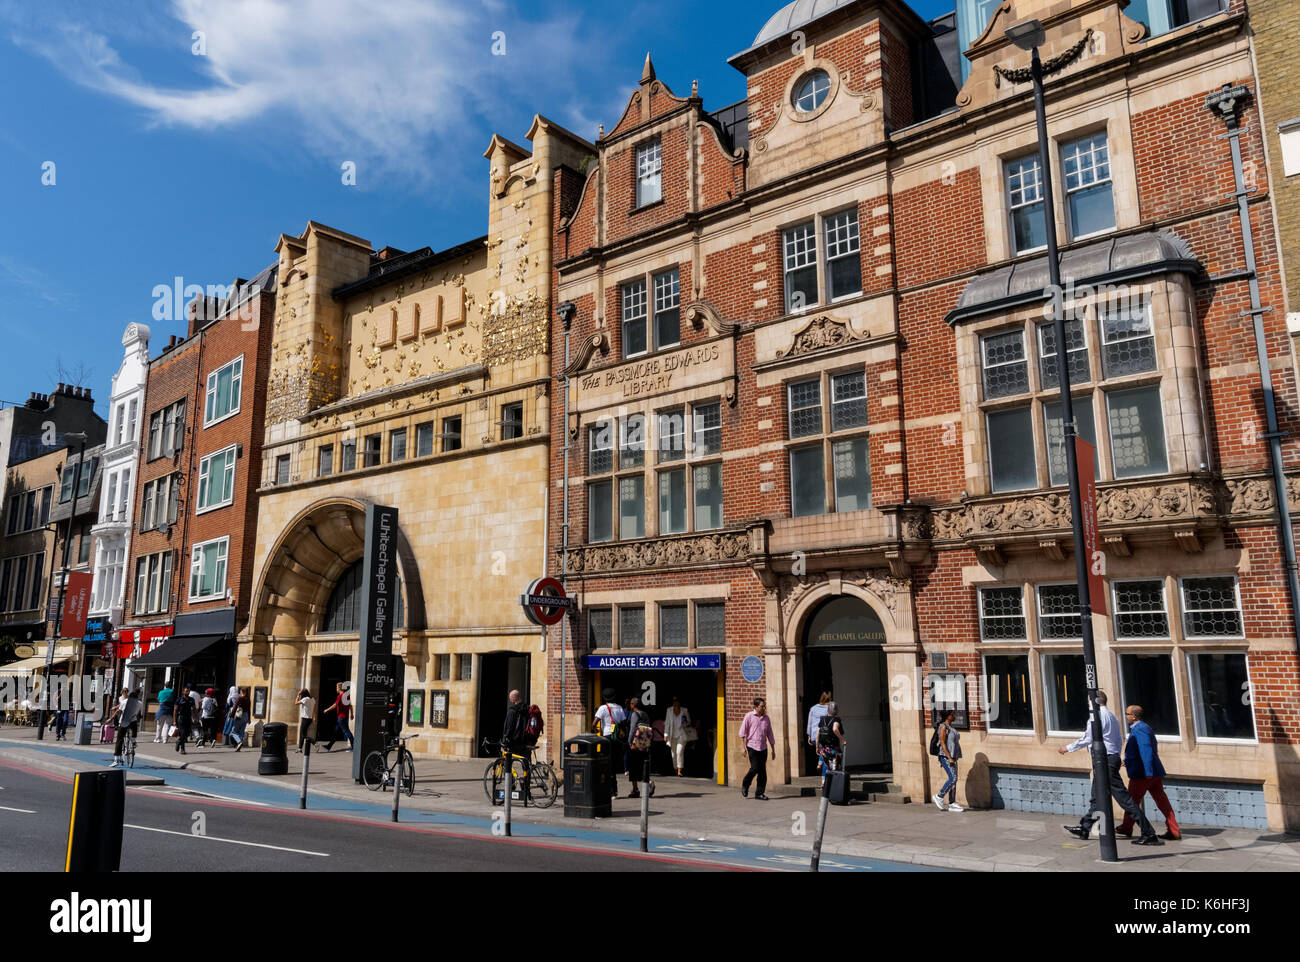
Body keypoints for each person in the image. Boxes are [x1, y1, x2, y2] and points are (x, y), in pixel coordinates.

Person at [1059, 691, 1161, 845]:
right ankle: (1085, 828)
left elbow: (1088, 738)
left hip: (1105, 761)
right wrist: (1116, 756)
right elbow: (1118, 740)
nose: (1087, 703)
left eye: (1089, 701)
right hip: (1109, 759)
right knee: (1096, 797)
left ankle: (1149, 833)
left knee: (1124, 799)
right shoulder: (1112, 716)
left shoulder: (1097, 716)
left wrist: (1067, 748)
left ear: (1094, 701)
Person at [1118, 705, 1181, 841]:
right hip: (1152, 773)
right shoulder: (1143, 728)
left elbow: (1145, 750)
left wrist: (1148, 772)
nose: (1125, 716)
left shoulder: (1140, 729)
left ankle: (1126, 827)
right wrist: (1128, 760)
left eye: (1127, 714)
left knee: (1131, 801)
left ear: (1134, 716)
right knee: (1162, 801)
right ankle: (1173, 829)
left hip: (1143, 774)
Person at [738, 697, 776, 800]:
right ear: (755, 707)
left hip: (763, 747)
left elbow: (770, 734)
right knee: (754, 768)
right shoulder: (749, 716)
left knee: (762, 771)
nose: (764, 708)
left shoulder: (766, 718)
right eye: (762, 706)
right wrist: (742, 747)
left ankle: (759, 793)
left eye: (765, 706)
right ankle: (745, 783)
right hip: (752, 746)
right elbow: (742, 732)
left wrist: (773, 749)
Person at [593, 690, 627, 798]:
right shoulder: (619, 708)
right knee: (613, 764)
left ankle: (609, 790)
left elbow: (594, 723)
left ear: (604, 698)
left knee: (606, 764)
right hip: (616, 738)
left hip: (607, 737)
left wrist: (594, 731)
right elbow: (623, 722)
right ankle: (614, 791)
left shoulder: (603, 708)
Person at [932, 709, 963, 812]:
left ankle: (952, 803)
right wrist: (949, 758)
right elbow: (943, 743)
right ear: (947, 716)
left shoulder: (951, 727)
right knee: (952, 778)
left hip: (953, 757)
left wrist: (953, 757)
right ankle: (939, 796)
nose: (954, 716)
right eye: (952, 714)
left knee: (954, 781)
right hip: (945, 757)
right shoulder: (943, 727)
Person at [625, 696, 655, 799]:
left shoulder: (634, 714)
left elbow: (633, 729)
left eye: (631, 704)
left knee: (633, 766)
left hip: (635, 744)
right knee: (643, 764)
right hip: (644, 744)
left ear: (633, 705)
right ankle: (649, 782)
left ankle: (635, 790)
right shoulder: (645, 714)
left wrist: (630, 742)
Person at [110, 689, 143, 768]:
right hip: (133, 721)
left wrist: (111, 719)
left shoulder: (124, 702)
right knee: (134, 727)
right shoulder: (140, 703)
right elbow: (138, 713)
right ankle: (134, 740)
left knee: (119, 739)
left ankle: (116, 759)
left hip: (124, 721)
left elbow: (119, 711)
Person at [816, 700, 846, 779]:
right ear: (836, 710)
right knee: (835, 764)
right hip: (833, 747)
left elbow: (818, 734)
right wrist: (842, 739)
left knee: (826, 764)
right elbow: (835, 729)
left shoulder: (822, 719)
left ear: (828, 709)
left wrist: (817, 746)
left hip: (823, 746)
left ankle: (823, 781)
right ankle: (833, 780)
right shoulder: (836, 719)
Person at [663, 696, 692, 777]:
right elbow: (667, 723)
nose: (675, 703)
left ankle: (679, 770)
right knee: (673, 754)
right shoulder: (669, 710)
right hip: (672, 735)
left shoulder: (684, 710)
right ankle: (675, 769)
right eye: (674, 702)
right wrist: (665, 734)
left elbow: (689, 722)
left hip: (681, 735)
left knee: (679, 752)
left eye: (677, 702)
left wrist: (686, 721)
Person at [322, 681, 354, 752]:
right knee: (335, 732)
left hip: (341, 718)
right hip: (344, 717)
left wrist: (327, 710)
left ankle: (354, 747)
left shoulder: (340, 696)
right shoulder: (347, 696)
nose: (336, 689)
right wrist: (351, 714)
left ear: (339, 688)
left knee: (347, 732)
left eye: (337, 687)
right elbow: (350, 706)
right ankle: (328, 746)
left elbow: (335, 705)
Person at [806, 691, 832, 775]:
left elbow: (809, 723)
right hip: (824, 736)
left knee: (823, 753)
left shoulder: (813, 708)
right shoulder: (829, 709)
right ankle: (824, 777)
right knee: (825, 756)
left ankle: (820, 766)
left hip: (814, 735)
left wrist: (809, 735)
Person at [502, 689, 528, 755]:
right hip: (525, 739)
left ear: (513, 698)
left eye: (510, 697)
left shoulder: (512, 711)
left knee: (507, 758)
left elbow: (509, 727)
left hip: (515, 740)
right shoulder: (526, 709)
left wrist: (505, 741)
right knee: (526, 760)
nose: (510, 699)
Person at [227, 686, 250, 752]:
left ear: (241, 691)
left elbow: (234, 707)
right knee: (241, 732)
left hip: (239, 716)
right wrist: (249, 719)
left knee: (233, 732)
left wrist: (230, 716)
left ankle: (239, 742)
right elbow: (249, 709)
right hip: (246, 716)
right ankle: (238, 745)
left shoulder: (239, 698)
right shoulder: (248, 699)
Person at [173, 687, 194, 754]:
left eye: (188, 691)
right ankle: (182, 749)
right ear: (183, 692)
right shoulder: (179, 700)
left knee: (187, 734)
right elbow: (175, 710)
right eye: (186, 691)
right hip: (181, 718)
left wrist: (196, 717)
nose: (187, 692)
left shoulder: (191, 699)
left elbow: (194, 709)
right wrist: (174, 720)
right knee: (182, 733)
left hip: (188, 718)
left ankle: (178, 741)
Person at [295, 688, 315, 753]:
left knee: (303, 734)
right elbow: (314, 709)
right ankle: (300, 748)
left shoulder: (305, 699)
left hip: (305, 719)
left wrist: (298, 695)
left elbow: (296, 703)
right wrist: (314, 717)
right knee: (303, 733)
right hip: (310, 719)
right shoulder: (312, 699)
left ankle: (313, 742)